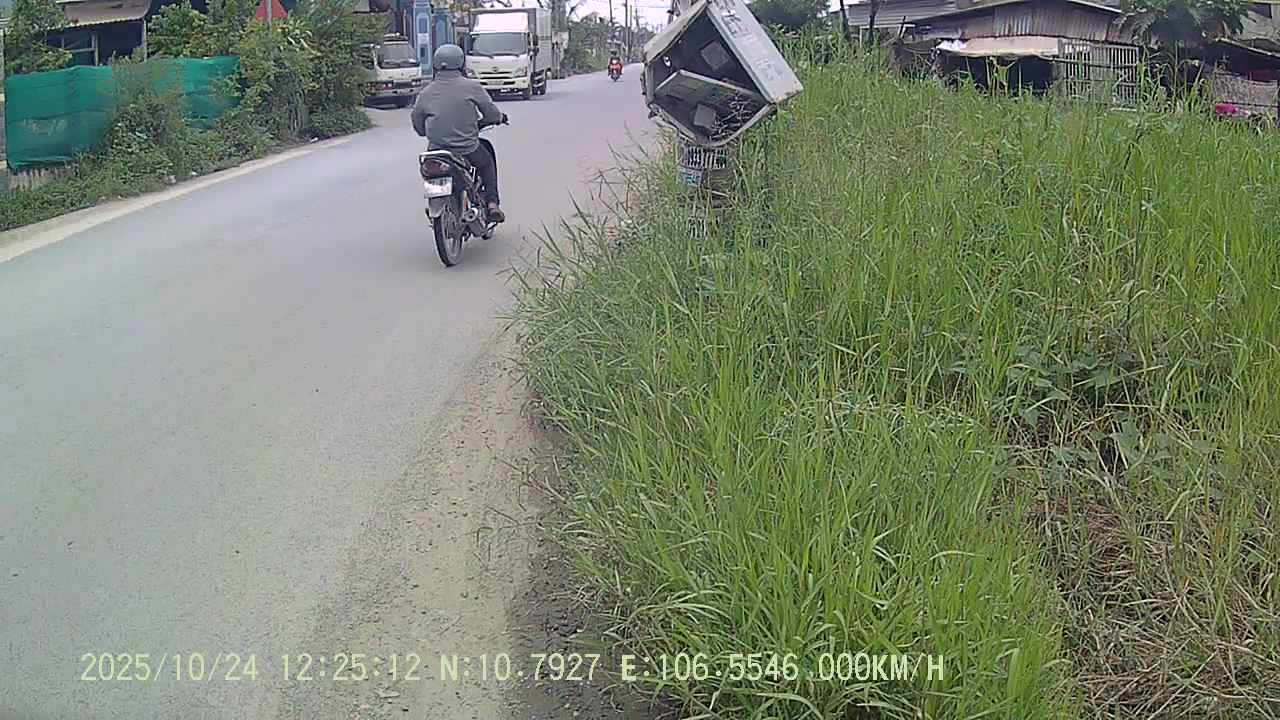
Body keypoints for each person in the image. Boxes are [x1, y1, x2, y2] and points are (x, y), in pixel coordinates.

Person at [411, 44, 508, 223]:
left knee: (431, 170)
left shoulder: (426, 92)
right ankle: (492, 204)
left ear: (435, 64)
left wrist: (424, 131)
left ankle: (437, 202)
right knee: (486, 163)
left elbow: (417, 119)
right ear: (461, 63)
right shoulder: (472, 87)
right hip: (467, 149)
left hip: (437, 151)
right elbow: (491, 113)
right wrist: (499, 118)